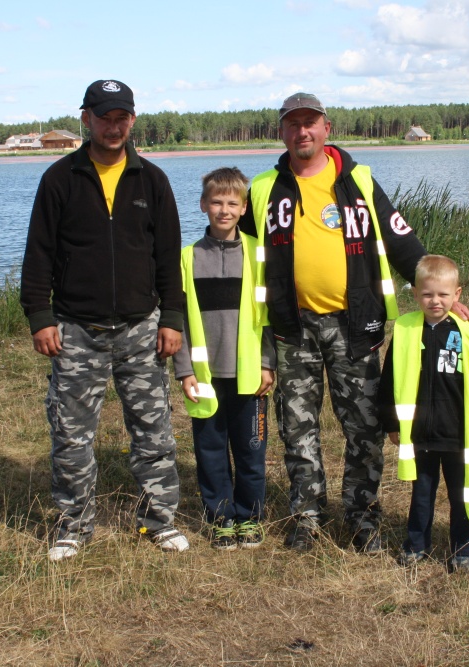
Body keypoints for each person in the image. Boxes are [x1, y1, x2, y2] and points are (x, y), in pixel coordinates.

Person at [239, 92, 469, 552]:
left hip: (354, 327)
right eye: (293, 124)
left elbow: (401, 241)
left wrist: (438, 292)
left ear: (326, 128)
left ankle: (362, 517)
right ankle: (307, 517)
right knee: (297, 428)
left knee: (364, 428)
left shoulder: (358, 180)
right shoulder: (264, 188)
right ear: (281, 132)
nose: (302, 131)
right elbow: (240, 254)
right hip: (292, 328)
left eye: (310, 122)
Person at [20, 79, 188, 561]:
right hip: (76, 329)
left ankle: (159, 521)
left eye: (121, 118)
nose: (113, 127)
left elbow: (168, 256)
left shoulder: (152, 180)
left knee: (154, 433)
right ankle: (73, 526)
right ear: (86, 119)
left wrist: (172, 318)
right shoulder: (60, 178)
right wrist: (40, 316)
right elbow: (39, 253)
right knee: (71, 436)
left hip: (142, 328)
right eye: (104, 118)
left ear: (132, 120)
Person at [378, 255, 469, 571]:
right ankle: (416, 545)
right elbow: (389, 378)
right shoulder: (404, 330)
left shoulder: (464, 332)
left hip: (459, 433)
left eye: (443, 294)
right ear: (415, 294)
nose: (435, 301)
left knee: (462, 495)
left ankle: (463, 549)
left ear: (457, 295)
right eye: (427, 294)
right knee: (421, 494)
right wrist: (392, 423)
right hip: (420, 435)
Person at [172, 167, 276, 550]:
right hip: (205, 378)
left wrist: (268, 362)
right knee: (211, 452)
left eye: (233, 203)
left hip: (250, 377)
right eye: (216, 202)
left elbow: (270, 317)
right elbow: (178, 320)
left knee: (251, 451)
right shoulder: (187, 258)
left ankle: (250, 518)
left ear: (244, 207)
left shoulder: (258, 254)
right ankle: (221, 520)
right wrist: (185, 370)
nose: (224, 210)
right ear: (203, 204)